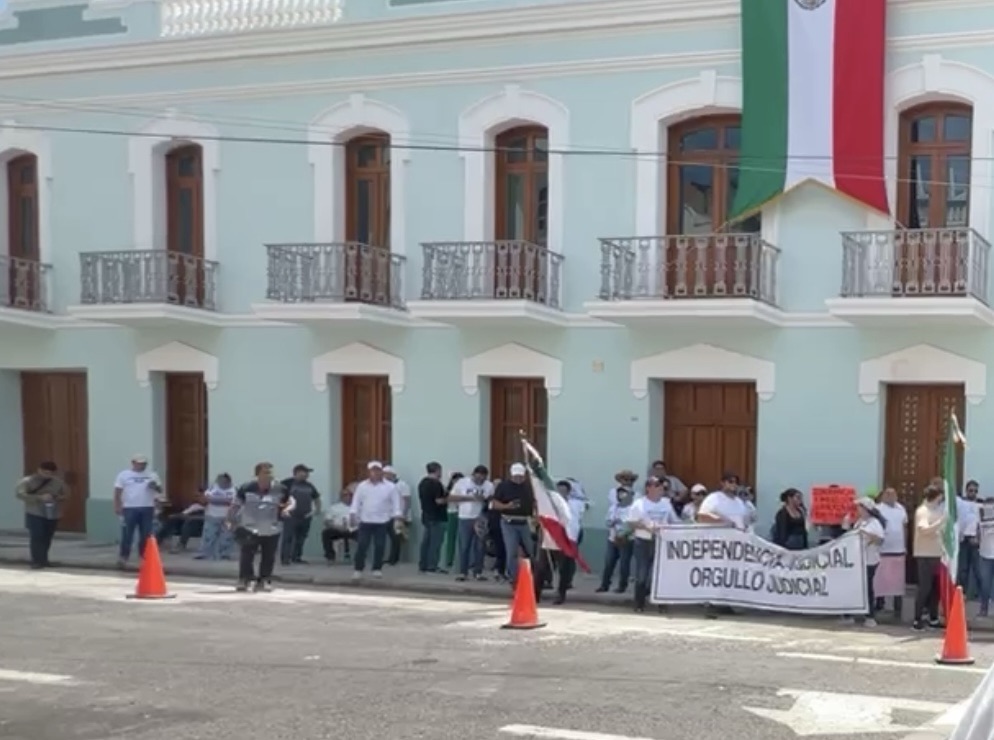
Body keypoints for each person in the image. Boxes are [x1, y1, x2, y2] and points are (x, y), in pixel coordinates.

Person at [231, 462, 292, 592]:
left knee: (268, 556)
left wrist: (287, 509)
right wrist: (230, 519)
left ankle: (264, 580)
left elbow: (290, 502)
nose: (269, 475)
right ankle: (245, 579)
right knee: (247, 555)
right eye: (265, 472)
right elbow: (236, 504)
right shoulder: (246, 487)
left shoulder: (281, 488)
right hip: (249, 527)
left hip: (272, 527)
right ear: (257, 474)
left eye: (271, 472)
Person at [627, 476, 680, 612]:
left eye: (662, 486)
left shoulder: (666, 503)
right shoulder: (639, 503)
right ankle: (639, 603)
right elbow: (630, 522)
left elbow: (674, 521)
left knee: (661, 573)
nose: (660, 488)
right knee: (642, 574)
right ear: (648, 488)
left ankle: (661, 603)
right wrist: (645, 526)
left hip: (662, 541)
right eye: (657, 485)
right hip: (643, 541)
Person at [350, 461, 403, 581]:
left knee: (380, 545)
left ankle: (377, 568)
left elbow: (396, 503)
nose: (375, 473)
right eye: (373, 470)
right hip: (365, 520)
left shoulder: (390, 486)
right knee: (362, 545)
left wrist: (398, 517)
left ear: (381, 472)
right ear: (369, 472)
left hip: (382, 520)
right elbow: (356, 502)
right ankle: (358, 569)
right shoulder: (362, 486)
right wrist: (353, 514)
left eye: (378, 470)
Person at [533, 481, 583, 606]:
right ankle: (534, 595)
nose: (560, 493)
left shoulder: (572, 506)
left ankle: (560, 594)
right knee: (541, 569)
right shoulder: (547, 504)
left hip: (564, 541)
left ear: (568, 492)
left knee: (563, 570)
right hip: (547, 540)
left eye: (563, 490)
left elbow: (573, 523)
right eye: (558, 490)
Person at [841, 497, 886, 627]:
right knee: (854, 587)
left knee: (867, 588)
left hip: (870, 560)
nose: (858, 510)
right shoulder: (860, 522)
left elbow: (880, 540)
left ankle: (870, 616)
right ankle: (849, 614)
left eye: (860, 507)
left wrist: (865, 533)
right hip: (858, 560)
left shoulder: (874, 523)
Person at [16, 461, 69, 569]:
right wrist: (39, 497)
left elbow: (66, 494)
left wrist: (55, 497)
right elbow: (20, 494)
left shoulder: (58, 482)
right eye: (44, 472)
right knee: (37, 536)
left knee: (47, 537)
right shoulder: (28, 481)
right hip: (34, 512)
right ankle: (36, 561)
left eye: (49, 473)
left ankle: (44, 560)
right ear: (39, 470)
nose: (46, 475)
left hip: (51, 513)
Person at [113, 454, 163, 569]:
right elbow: (117, 491)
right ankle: (124, 556)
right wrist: (117, 505)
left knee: (146, 534)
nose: (142, 466)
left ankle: (143, 556)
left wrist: (154, 486)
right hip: (130, 508)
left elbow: (160, 490)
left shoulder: (152, 475)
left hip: (147, 507)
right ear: (133, 463)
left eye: (144, 464)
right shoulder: (124, 475)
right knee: (127, 534)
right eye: (139, 463)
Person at [491, 463, 536, 585]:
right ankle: (512, 576)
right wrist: (507, 506)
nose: (518, 479)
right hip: (508, 521)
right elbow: (494, 503)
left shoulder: (529, 487)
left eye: (520, 476)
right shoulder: (503, 486)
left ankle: (533, 575)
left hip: (525, 521)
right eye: (516, 476)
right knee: (511, 550)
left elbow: (534, 502)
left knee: (531, 549)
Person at [597, 469, 638, 593]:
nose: (626, 481)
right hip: (613, 535)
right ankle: (604, 584)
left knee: (624, 563)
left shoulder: (636, 498)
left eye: (629, 479)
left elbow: (633, 517)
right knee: (609, 561)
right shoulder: (613, 497)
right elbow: (610, 516)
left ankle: (622, 585)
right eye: (624, 479)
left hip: (627, 536)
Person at [450, 465, 493, 582]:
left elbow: (491, 501)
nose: (480, 481)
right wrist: (470, 498)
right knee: (464, 546)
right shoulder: (462, 483)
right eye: (478, 478)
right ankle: (463, 572)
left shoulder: (489, 486)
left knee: (480, 547)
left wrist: (484, 500)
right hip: (465, 517)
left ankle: (478, 572)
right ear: (473, 475)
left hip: (480, 519)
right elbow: (451, 497)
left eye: (482, 479)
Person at [913, 484, 946, 631]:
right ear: (937, 496)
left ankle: (933, 618)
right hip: (925, 555)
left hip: (937, 554)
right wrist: (941, 523)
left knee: (935, 589)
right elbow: (923, 529)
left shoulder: (936, 510)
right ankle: (917, 619)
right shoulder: (923, 511)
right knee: (925, 588)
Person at [874, 486, 907, 619]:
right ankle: (879, 603)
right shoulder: (878, 509)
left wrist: (905, 545)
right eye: (887, 494)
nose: (891, 497)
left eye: (893, 494)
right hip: (883, 550)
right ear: (883, 496)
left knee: (898, 580)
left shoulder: (901, 509)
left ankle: (898, 606)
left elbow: (904, 527)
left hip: (898, 549)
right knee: (881, 578)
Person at [280, 464, 321, 566]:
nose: (307, 475)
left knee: (301, 538)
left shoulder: (309, 486)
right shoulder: (287, 483)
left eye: (307, 473)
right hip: (291, 515)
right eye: (305, 472)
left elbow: (316, 498)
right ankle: (285, 558)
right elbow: (278, 497)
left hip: (305, 516)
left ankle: (297, 557)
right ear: (297, 472)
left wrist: (317, 510)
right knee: (288, 537)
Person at [195, 473, 236, 561]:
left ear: (228, 481)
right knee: (208, 536)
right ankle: (204, 553)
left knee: (227, 536)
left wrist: (214, 500)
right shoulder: (212, 488)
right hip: (211, 516)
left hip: (228, 518)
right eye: (220, 480)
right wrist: (219, 501)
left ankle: (225, 554)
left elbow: (233, 502)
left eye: (224, 481)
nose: (221, 482)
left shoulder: (233, 490)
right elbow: (204, 499)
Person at [417, 462, 448, 573]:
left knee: (426, 542)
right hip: (438, 516)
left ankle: (423, 564)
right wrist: (449, 499)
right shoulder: (436, 484)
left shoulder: (422, 483)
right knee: (435, 543)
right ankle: (432, 566)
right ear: (438, 470)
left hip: (426, 515)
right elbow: (439, 501)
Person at [322, 484, 357, 563]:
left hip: (353, 529)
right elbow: (327, 521)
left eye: (350, 495)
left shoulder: (357, 507)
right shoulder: (334, 507)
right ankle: (330, 557)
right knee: (326, 533)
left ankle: (359, 556)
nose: (348, 497)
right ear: (341, 497)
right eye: (345, 495)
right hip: (338, 529)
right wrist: (336, 526)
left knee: (364, 535)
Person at [384, 466, 411, 566]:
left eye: (386, 474)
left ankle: (394, 559)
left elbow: (407, 500)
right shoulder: (386, 486)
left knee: (397, 537)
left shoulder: (402, 485)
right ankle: (391, 557)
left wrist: (403, 515)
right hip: (389, 515)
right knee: (392, 537)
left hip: (399, 515)